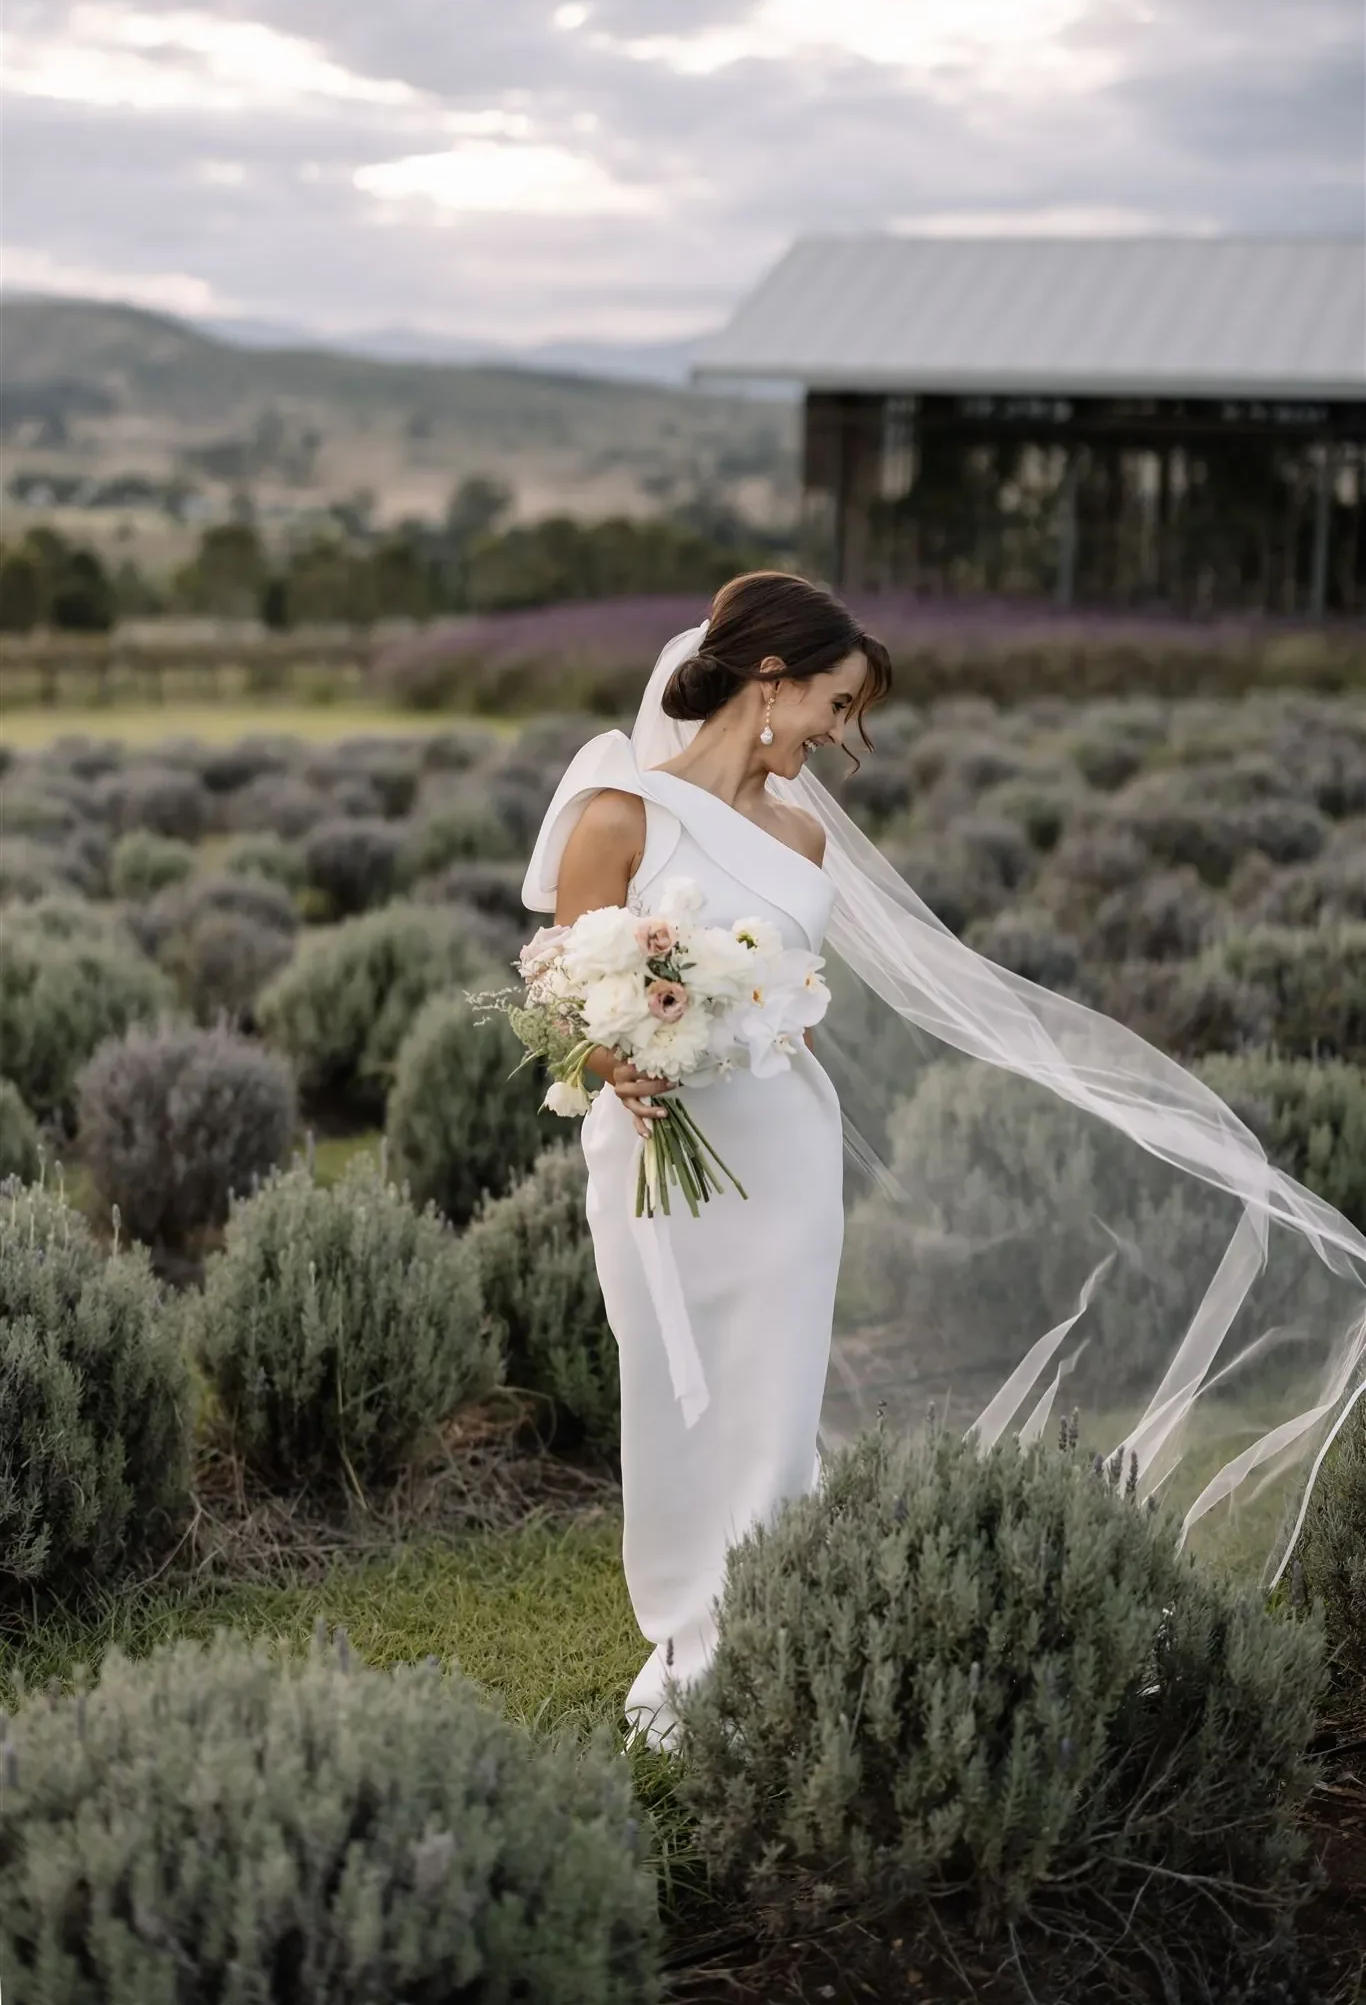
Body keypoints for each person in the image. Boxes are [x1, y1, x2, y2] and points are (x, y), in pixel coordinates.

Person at [523, 571, 1366, 1752]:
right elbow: (558, 985)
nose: (838, 733)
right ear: (767, 681)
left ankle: (750, 1644)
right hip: (653, 1146)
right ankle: (680, 1627)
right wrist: (621, 1059)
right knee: (664, 1385)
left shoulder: (802, 830)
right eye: (831, 701)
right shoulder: (616, 809)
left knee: (772, 1395)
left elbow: (796, 1009)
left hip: (782, 1147)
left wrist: (741, 1012)